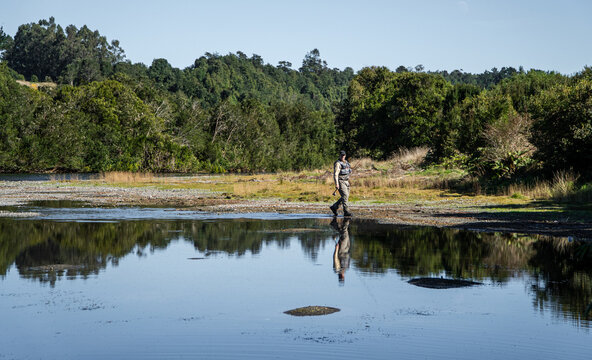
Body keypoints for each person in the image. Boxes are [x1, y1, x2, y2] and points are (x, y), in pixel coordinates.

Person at [330, 150, 353, 217]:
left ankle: (334, 206)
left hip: (346, 181)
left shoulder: (347, 163)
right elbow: (336, 174)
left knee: (345, 196)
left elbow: (348, 171)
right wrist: (336, 183)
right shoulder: (338, 163)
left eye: (344, 155)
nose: (343, 156)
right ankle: (346, 211)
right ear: (339, 156)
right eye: (341, 155)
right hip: (341, 181)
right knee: (345, 196)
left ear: (345, 156)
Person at [331, 217, 351, 283]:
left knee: (345, 233)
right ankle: (334, 224)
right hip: (346, 249)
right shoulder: (344, 270)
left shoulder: (337, 269)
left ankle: (347, 219)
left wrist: (336, 249)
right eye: (343, 278)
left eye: (342, 277)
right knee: (345, 233)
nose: (343, 276)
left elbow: (335, 259)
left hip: (342, 250)